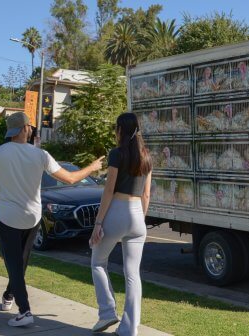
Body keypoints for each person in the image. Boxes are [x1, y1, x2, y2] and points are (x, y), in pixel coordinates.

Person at [0, 112, 104, 327]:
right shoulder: (41, 155)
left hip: (6, 217)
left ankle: (25, 310)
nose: (31, 129)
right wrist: (92, 168)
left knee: (14, 264)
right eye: (29, 126)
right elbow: (70, 178)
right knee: (20, 263)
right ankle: (10, 295)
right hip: (32, 218)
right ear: (24, 129)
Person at [89, 112, 152, 336]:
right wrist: (140, 222)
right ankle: (129, 328)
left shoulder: (116, 154)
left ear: (120, 130)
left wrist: (98, 223)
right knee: (133, 274)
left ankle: (107, 312)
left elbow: (109, 189)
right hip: (137, 216)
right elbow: (146, 196)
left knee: (97, 261)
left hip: (117, 210)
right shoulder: (146, 156)